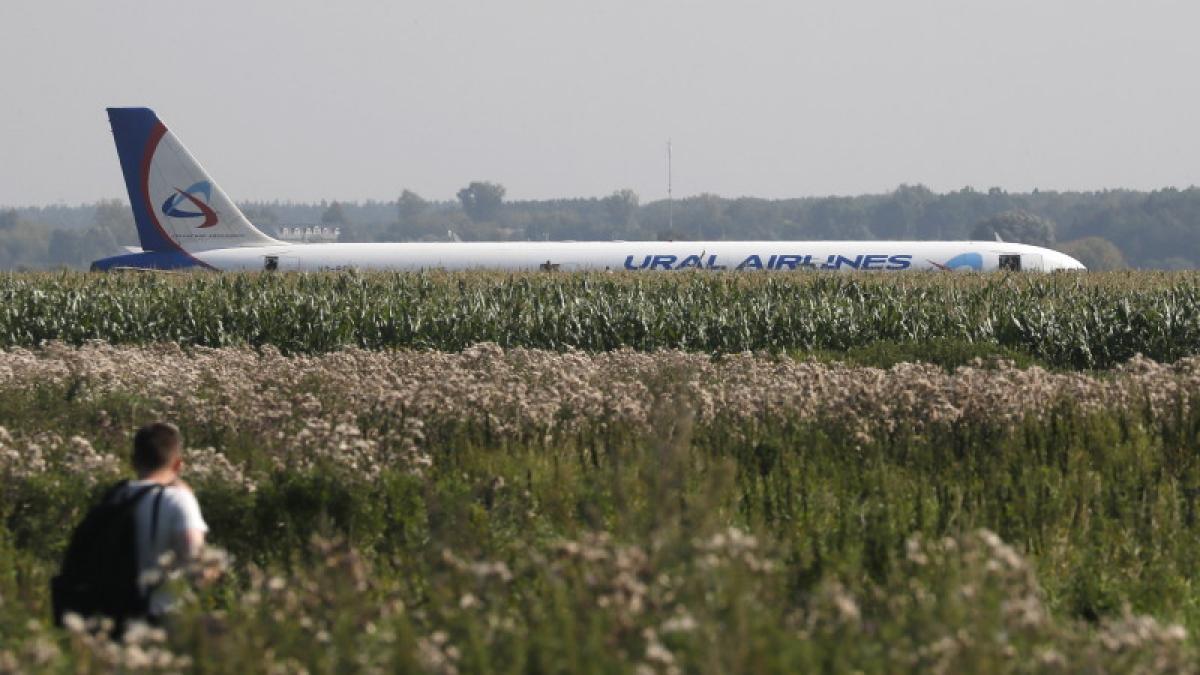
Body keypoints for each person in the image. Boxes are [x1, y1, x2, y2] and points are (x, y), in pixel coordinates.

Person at [119, 422, 209, 619]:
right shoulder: (178, 499)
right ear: (178, 464)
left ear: (133, 461)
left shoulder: (117, 496)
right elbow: (198, 568)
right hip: (161, 617)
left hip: (112, 616)